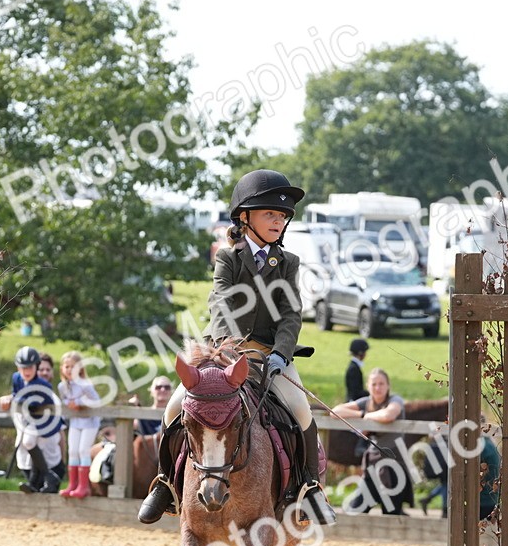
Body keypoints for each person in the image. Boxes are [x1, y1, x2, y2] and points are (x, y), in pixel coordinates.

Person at [137, 169, 335, 526]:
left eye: (282, 216)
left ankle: (309, 488)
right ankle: (166, 483)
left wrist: (280, 353)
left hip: (272, 356)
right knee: (173, 407)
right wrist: (232, 352)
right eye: (270, 214)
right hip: (224, 354)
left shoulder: (288, 263)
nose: (278, 221)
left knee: (301, 410)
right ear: (245, 218)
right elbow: (222, 304)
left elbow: (291, 314)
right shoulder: (228, 259)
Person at [332, 368, 407, 515]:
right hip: (373, 465)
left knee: (392, 515)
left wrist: (366, 417)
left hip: (394, 467)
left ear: (388, 386)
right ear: (368, 386)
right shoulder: (366, 403)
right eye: (374, 384)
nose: (378, 388)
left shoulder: (395, 400)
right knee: (354, 510)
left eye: (381, 384)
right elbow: (335, 411)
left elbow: (389, 414)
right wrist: (362, 414)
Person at [0, 346, 64, 494]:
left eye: (30, 367)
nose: (26, 371)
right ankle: (36, 482)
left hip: (45, 422)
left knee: (28, 442)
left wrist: (13, 399)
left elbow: (32, 403)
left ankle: (48, 476)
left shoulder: (43, 385)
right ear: (17, 367)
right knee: (32, 445)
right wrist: (11, 397)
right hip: (32, 421)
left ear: (36, 366)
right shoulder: (16, 378)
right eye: (23, 368)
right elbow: (16, 393)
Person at [57, 351, 101, 499]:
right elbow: (63, 400)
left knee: (83, 450)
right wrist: (68, 404)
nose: (69, 369)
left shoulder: (85, 384)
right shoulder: (62, 386)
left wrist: (80, 403)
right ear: (62, 368)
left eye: (73, 366)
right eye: (67, 366)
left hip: (90, 422)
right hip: (75, 422)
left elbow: (96, 400)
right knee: (73, 451)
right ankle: (72, 484)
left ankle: (84, 486)